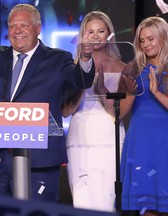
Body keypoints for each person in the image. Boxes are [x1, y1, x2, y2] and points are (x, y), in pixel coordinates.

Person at [0, 3, 95, 216]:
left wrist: (85, 58)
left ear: (38, 28)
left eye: (23, 25)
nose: (17, 31)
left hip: (38, 160)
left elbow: (80, 79)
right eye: (12, 26)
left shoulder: (58, 58)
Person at [62, 11, 127, 212]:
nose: (96, 36)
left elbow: (121, 113)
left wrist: (102, 90)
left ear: (109, 34)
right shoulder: (71, 69)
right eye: (90, 32)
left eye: (101, 31)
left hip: (110, 137)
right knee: (81, 199)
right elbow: (65, 111)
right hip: (79, 137)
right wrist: (83, 80)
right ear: (83, 36)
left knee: (106, 200)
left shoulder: (124, 68)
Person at [120, 16, 168, 216]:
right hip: (140, 142)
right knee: (146, 205)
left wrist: (156, 92)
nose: (146, 45)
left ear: (164, 38)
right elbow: (120, 112)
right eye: (142, 40)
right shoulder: (132, 68)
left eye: (151, 39)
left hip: (164, 142)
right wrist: (130, 93)